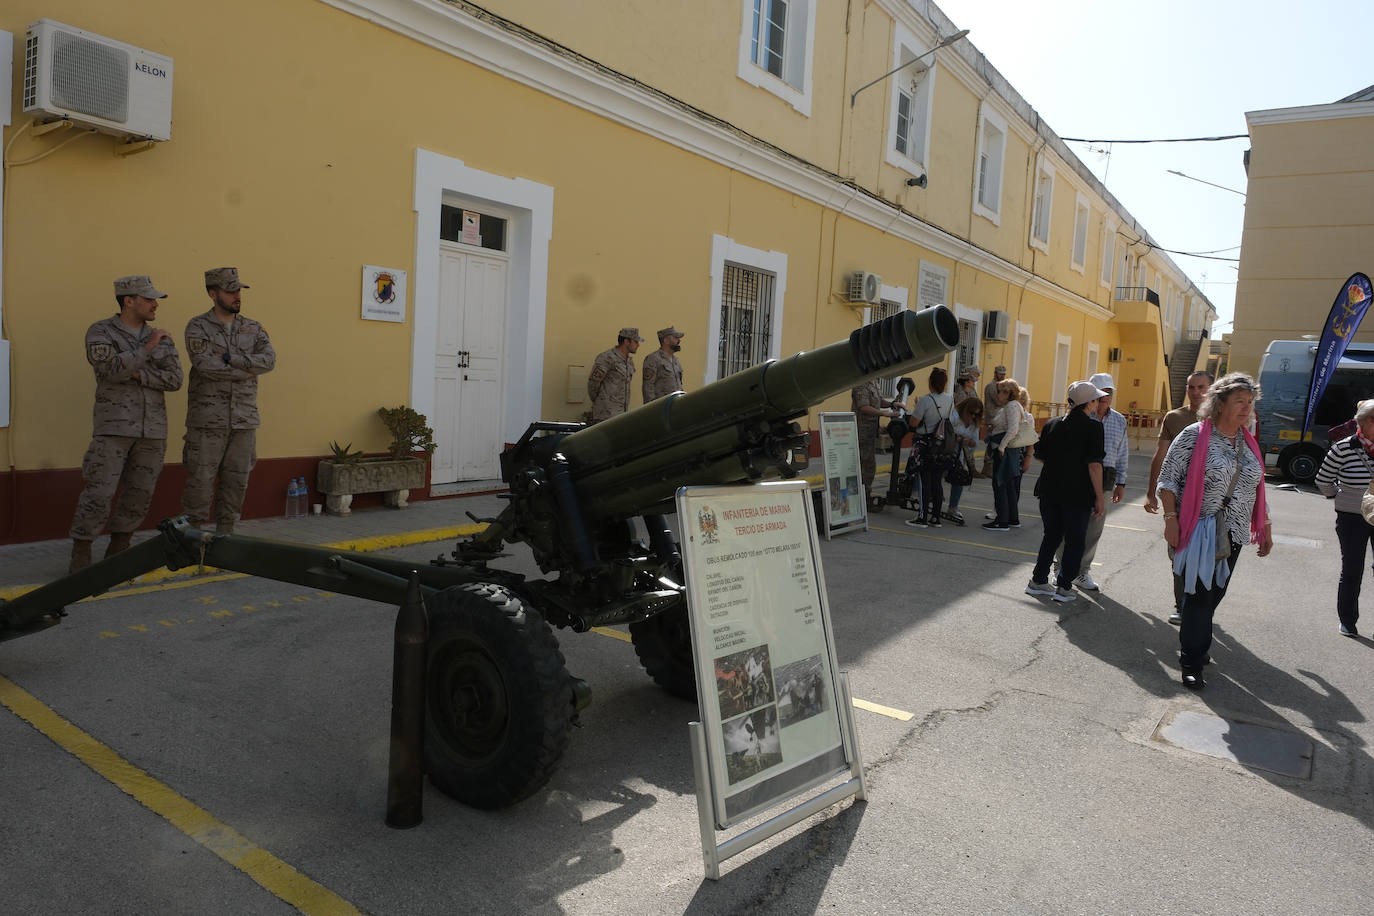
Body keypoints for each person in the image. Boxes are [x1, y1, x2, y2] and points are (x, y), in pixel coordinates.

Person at [1157, 373, 1273, 690]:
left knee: (1214, 594)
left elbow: (1255, 486)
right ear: (1220, 403)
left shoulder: (1248, 442)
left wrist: (1265, 525)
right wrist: (1170, 519)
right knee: (1199, 595)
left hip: (1234, 532)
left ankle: (1195, 638)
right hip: (1200, 528)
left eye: (1250, 402)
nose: (1246, 408)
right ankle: (1192, 661)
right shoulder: (1194, 435)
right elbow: (1168, 479)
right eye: (1240, 401)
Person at [69, 276, 183, 572]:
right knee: (99, 492)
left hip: (153, 429)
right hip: (114, 427)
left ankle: (119, 549)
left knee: (140, 493)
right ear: (128, 301)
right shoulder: (101, 332)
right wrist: (147, 350)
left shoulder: (162, 337)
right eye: (149, 299)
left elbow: (174, 380)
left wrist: (136, 373)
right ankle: (81, 551)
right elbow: (109, 369)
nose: (156, 304)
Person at [182, 267, 276, 535]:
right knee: (200, 482)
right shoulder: (198, 327)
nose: (237, 296)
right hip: (207, 421)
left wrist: (230, 359)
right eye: (230, 291)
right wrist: (248, 370)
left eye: (239, 290)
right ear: (213, 294)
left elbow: (269, 361)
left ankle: (226, 536)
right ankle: (192, 538)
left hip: (244, 420)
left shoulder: (253, 327)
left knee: (237, 481)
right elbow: (205, 366)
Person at [1025, 380, 1107, 602]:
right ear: (1088, 403)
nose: (1098, 402)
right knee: (1075, 540)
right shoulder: (1093, 427)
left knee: (1051, 536)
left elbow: (1040, 454)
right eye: (1096, 399)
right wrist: (1099, 497)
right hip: (1077, 493)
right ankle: (1063, 586)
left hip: (1049, 489)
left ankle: (1038, 580)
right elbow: (1094, 465)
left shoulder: (1052, 423)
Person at [1145, 370, 1214, 624]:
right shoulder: (1174, 418)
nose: (1196, 392)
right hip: (1180, 498)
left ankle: (1201, 605)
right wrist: (1151, 493)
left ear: (1211, 388)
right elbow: (1160, 456)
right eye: (1191, 387)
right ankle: (1182, 604)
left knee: (1211, 556)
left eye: (1201, 387)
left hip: (1212, 500)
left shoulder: (1221, 417)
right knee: (1179, 552)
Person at [1053, 372, 1128, 591]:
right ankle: (1060, 568)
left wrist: (1121, 482)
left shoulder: (1119, 420)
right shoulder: (1079, 418)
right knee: (1069, 524)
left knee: (1094, 528)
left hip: (1106, 476)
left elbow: (1122, 452)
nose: (1106, 397)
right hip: (1079, 476)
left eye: (1109, 392)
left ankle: (1082, 571)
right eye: (1101, 392)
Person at [1315, 398, 1374, 637]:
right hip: (1352, 517)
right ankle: (1348, 621)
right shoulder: (1343, 448)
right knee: (1352, 569)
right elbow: (1323, 480)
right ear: (1362, 421)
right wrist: (1341, 498)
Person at [904, 367, 955, 528]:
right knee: (937, 482)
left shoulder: (926, 400)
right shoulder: (950, 399)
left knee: (924, 481)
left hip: (926, 444)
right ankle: (935, 517)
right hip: (942, 445)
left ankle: (922, 517)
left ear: (930, 382)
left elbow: (914, 422)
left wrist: (917, 407)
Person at [982, 378, 1028, 531]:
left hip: (1005, 450)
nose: (998, 395)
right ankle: (1012, 519)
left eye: (1000, 391)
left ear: (1008, 393)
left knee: (1000, 484)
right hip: (1007, 449)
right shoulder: (1011, 406)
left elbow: (1013, 429)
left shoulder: (1012, 406)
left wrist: (1001, 447)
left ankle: (1002, 521)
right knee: (1008, 484)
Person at [851, 378, 904, 502]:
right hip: (861, 432)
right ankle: (861, 499)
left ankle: (864, 497)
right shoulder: (860, 383)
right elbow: (863, 407)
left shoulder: (873, 382)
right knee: (864, 466)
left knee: (868, 465)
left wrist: (892, 404)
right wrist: (884, 413)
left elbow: (878, 401)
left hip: (870, 432)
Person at [587, 327, 642, 422]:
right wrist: (600, 401)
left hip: (621, 413)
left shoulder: (629, 361)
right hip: (605, 414)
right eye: (636, 342)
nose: (638, 345)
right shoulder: (607, 358)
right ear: (626, 341)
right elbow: (593, 383)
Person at [944, 398, 983, 525]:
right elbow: (946, 431)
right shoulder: (955, 416)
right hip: (945, 451)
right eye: (971, 413)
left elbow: (975, 442)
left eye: (977, 414)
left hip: (959, 455)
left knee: (958, 480)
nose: (973, 416)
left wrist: (968, 442)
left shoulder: (974, 424)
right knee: (938, 476)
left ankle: (953, 507)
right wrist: (958, 439)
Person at [642, 326, 685, 402]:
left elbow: (679, 385)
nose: (679, 340)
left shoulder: (676, 361)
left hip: (676, 405)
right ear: (666, 340)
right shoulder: (653, 359)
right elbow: (648, 387)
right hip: (661, 406)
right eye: (675, 338)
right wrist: (652, 407)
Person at [980, 365, 1007, 475]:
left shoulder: (1001, 386)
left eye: (1004, 374)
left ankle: (988, 468)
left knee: (994, 443)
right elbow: (999, 401)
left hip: (998, 418)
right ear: (995, 373)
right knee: (992, 443)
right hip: (992, 418)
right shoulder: (992, 386)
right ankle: (987, 467)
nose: (1002, 376)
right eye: (1000, 374)